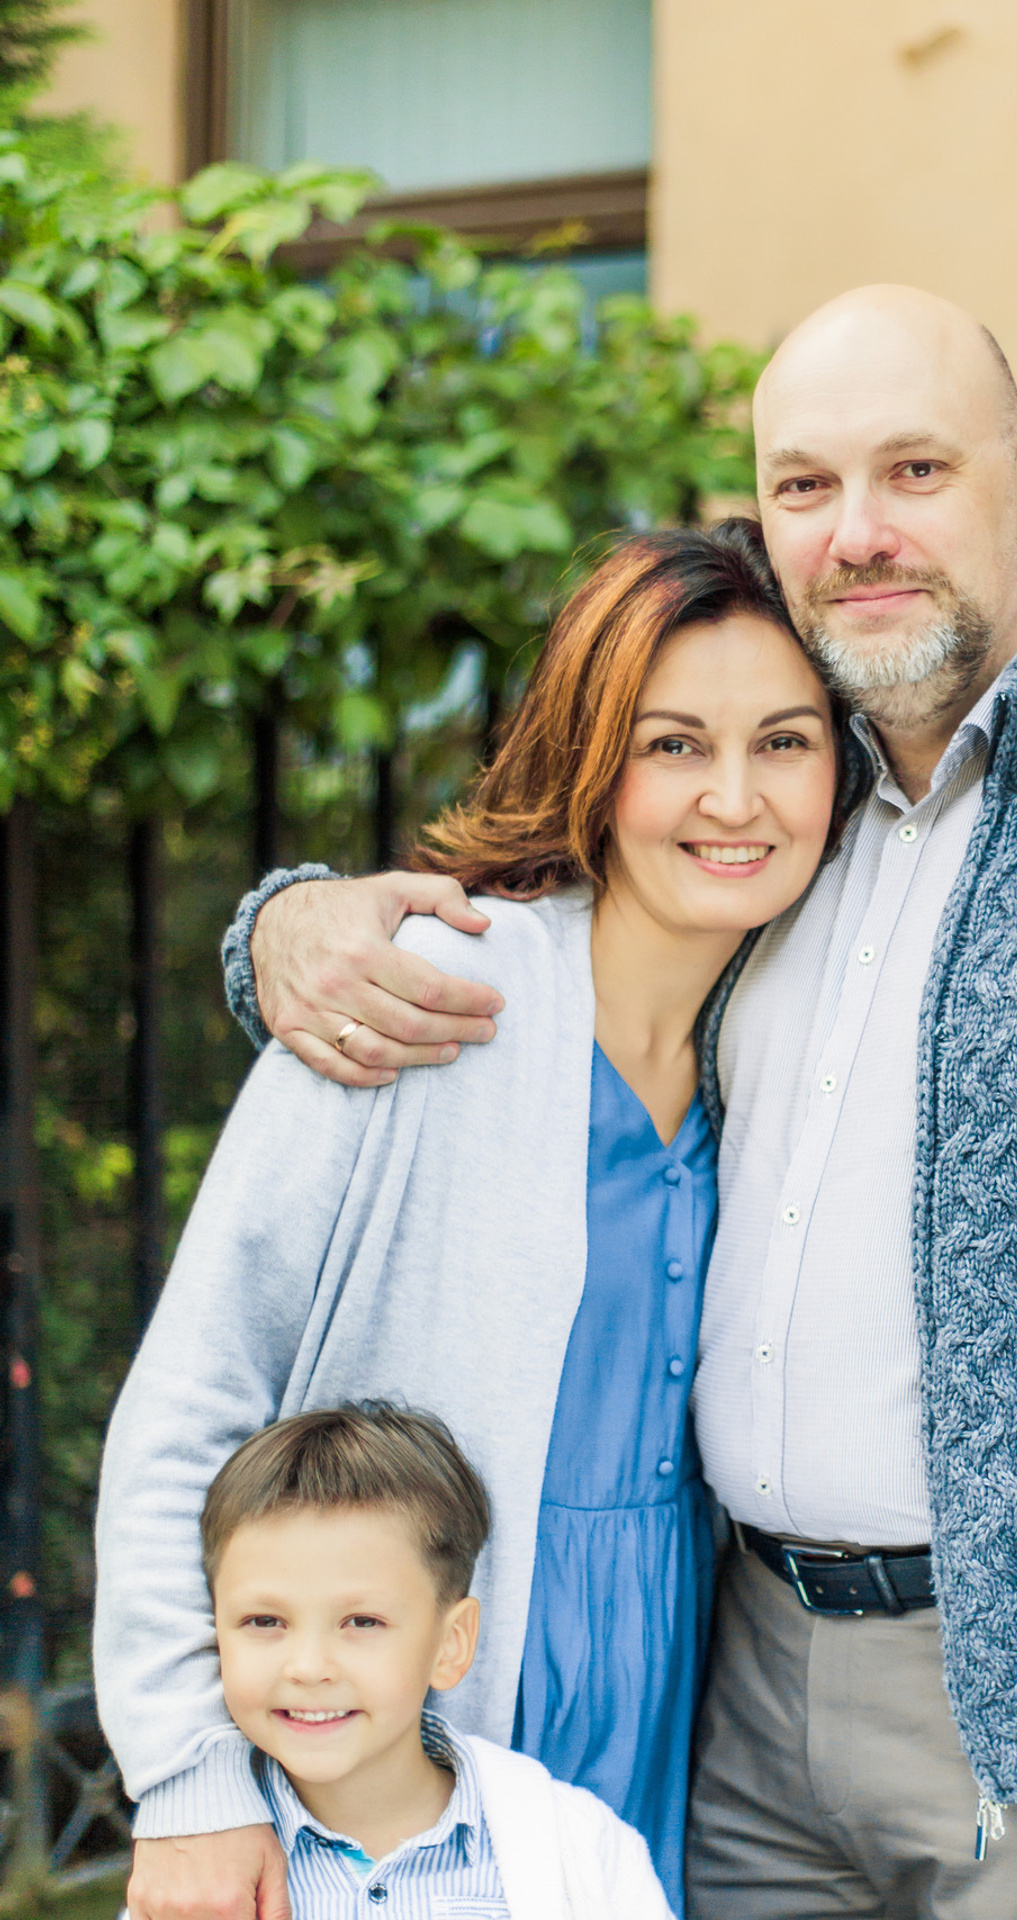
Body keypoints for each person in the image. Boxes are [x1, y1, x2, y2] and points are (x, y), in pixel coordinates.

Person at [219, 285, 1017, 1920]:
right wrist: (284, 926)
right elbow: (502, 907)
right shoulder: (770, 798)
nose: (857, 531)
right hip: (745, 1697)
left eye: (914, 474)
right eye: (804, 487)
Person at [94, 522, 843, 1920]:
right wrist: (186, 1779)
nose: (734, 797)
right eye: (673, 744)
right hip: (408, 1719)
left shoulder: (784, 1040)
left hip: (661, 1703)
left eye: (786, 743)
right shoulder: (429, 993)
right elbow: (191, 1402)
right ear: (591, 758)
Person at [191, 1402, 671, 1919]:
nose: (308, 1667)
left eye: (362, 1622)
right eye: (265, 1622)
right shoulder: (204, 1869)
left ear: (451, 1644)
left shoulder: (577, 1847)